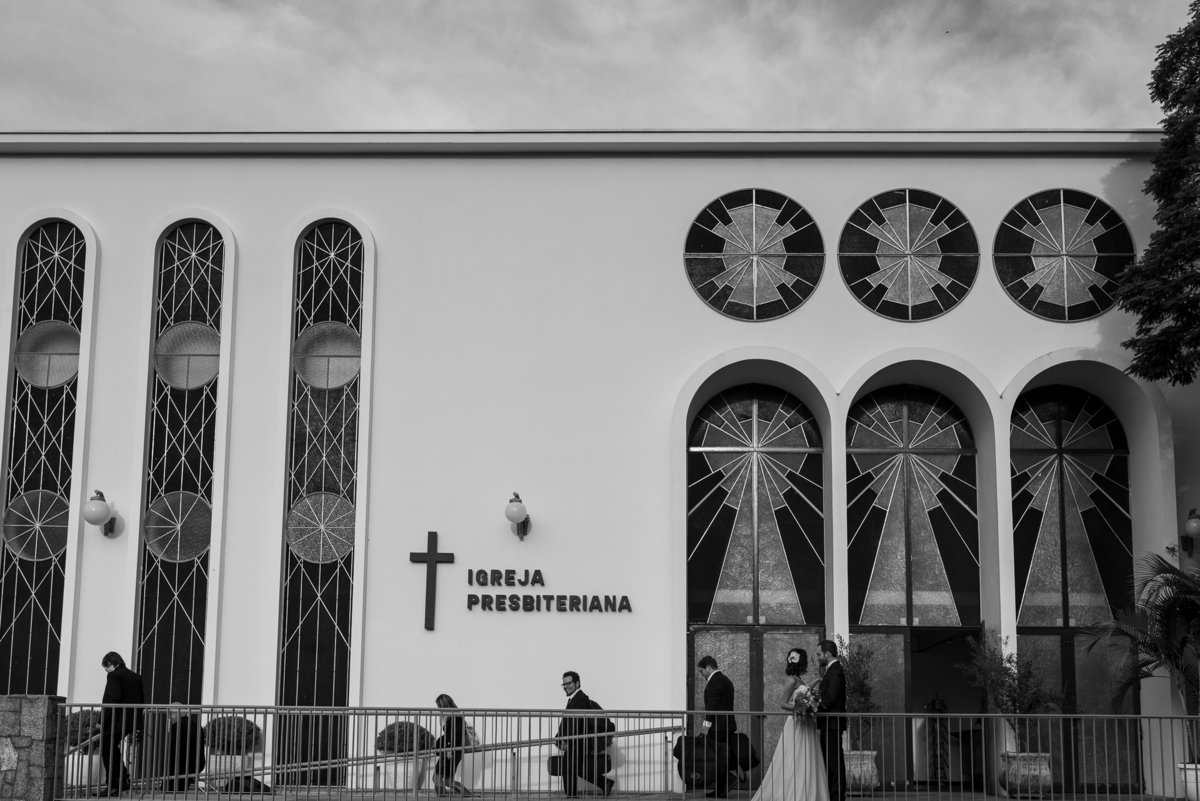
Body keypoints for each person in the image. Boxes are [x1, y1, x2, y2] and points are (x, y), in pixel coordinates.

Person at [751, 648, 829, 801]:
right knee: (795, 758)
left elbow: (804, 692)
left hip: (806, 724)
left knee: (806, 758)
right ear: (802, 662)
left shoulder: (799, 679)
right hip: (797, 724)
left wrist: (818, 681)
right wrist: (802, 709)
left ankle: (807, 793)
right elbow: (783, 703)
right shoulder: (791, 680)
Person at [555, 671, 614, 798]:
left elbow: (578, 722)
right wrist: (558, 737)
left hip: (578, 742)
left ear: (577, 683)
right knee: (568, 767)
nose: (565, 686)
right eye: (563, 684)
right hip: (573, 740)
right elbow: (567, 722)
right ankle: (571, 795)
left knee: (575, 767)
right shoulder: (573, 699)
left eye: (568, 683)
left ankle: (605, 783)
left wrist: (567, 740)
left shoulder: (581, 698)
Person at [98, 652, 144, 797]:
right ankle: (122, 778)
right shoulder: (136, 676)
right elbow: (141, 700)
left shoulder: (114, 675)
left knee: (107, 749)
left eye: (106, 667)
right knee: (112, 749)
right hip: (131, 721)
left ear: (110, 664)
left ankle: (114, 784)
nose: (106, 671)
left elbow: (113, 698)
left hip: (116, 721)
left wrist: (101, 721)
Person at [697, 655, 736, 798]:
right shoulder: (725, 680)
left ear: (708, 667)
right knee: (722, 756)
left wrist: (706, 725)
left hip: (718, 727)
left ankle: (723, 786)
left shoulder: (714, 682)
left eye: (701, 671)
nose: (701, 675)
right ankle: (722, 789)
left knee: (717, 758)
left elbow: (712, 705)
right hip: (726, 724)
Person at [815, 640, 847, 801]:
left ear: (828, 654)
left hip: (832, 723)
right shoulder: (832, 670)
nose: (818, 658)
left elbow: (831, 699)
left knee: (834, 762)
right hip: (830, 723)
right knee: (831, 760)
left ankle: (837, 796)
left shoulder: (835, 671)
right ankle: (834, 795)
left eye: (819, 654)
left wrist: (813, 707)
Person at [434, 694, 472, 797]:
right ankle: (468, 795)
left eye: (439, 706)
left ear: (444, 705)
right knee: (447, 780)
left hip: (449, 752)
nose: (438, 709)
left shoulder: (454, 717)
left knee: (438, 778)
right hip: (452, 751)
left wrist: (450, 749)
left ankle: (442, 797)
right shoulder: (455, 716)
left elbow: (456, 735)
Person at [162, 703, 205, 791]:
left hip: (178, 767)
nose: (170, 718)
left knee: (168, 791)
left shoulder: (175, 727)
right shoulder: (197, 726)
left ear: (178, 713)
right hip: (196, 765)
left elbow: (172, 750)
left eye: (171, 714)